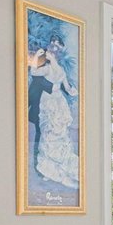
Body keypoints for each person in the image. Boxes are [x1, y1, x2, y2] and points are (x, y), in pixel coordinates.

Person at [30, 41, 79, 189]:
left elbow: (68, 88)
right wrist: (35, 58)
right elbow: (33, 72)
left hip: (56, 101)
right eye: (49, 51)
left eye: (53, 51)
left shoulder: (60, 70)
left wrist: (73, 91)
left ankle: (59, 166)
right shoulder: (47, 69)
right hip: (50, 101)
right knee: (49, 132)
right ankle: (50, 169)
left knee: (59, 133)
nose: (50, 53)